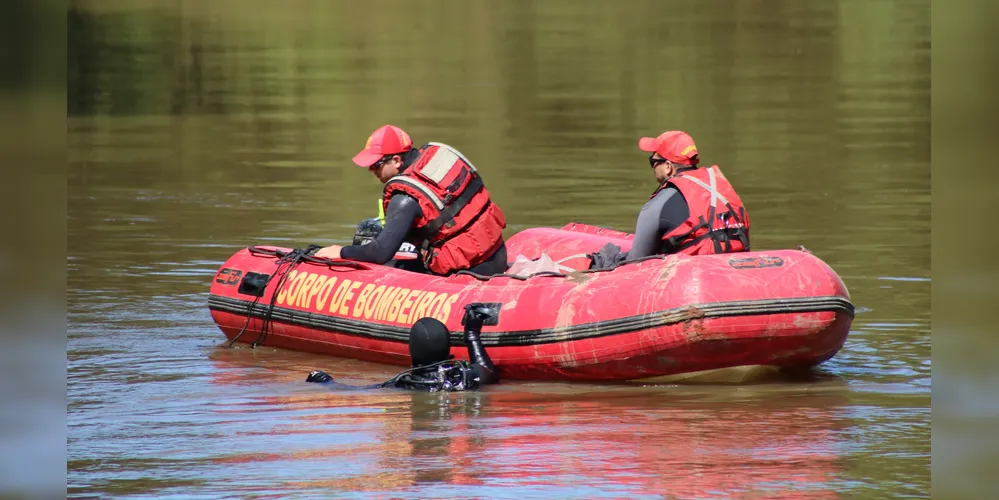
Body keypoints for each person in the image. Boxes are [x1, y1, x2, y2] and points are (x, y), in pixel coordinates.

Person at [315, 125, 509, 276]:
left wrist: (340, 252)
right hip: (497, 255)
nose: (371, 170)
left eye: (376, 165)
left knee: (388, 266)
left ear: (397, 161)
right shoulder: (437, 164)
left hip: (469, 272)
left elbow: (380, 253)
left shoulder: (405, 198)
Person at [591, 130, 751, 269]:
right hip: (736, 270)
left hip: (695, 278)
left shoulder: (659, 204)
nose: (653, 167)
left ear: (668, 166)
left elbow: (635, 263)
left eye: (653, 162)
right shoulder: (717, 187)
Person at [306, 303, 501, 392]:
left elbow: (351, 390)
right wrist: (472, 334)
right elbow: (488, 371)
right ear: (447, 347)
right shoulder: (464, 377)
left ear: (413, 351)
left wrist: (323, 380)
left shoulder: (404, 383)